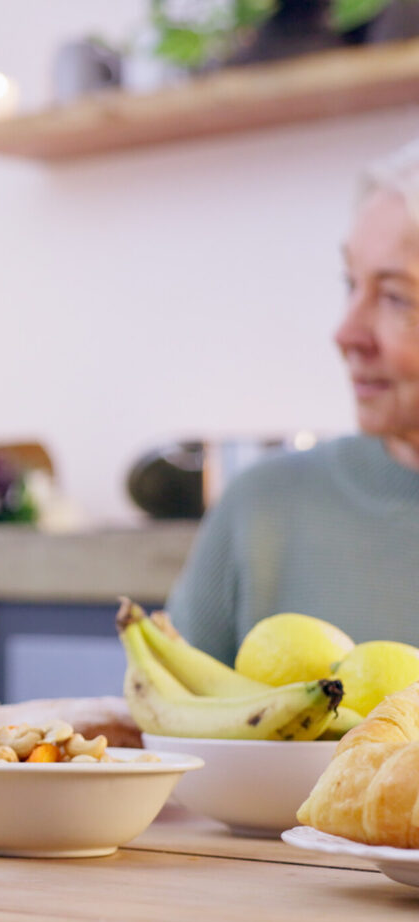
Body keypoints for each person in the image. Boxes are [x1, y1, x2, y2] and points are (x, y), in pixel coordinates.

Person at [169, 139, 419, 654]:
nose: (346, 332)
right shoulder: (260, 511)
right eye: (350, 284)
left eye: (397, 297)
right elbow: (156, 727)